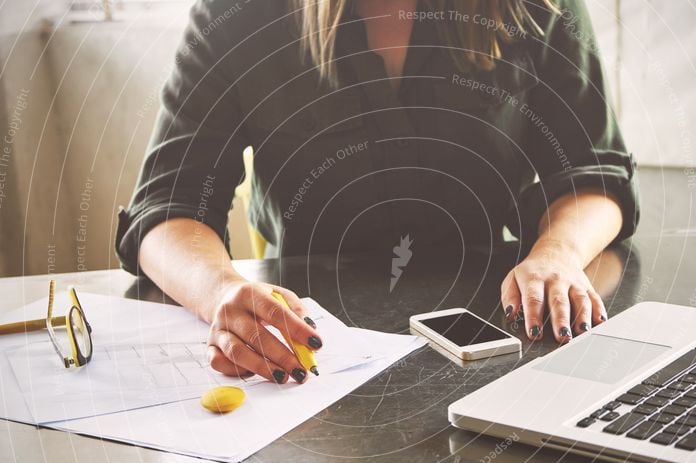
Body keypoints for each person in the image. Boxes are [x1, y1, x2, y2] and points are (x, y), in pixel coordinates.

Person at [116, 0, 640, 383]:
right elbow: (165, 209)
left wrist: (559, 254)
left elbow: (593, 172)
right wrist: (219, 293)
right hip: (309, 350)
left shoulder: (535, 7)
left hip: (498, 339)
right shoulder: (239, 15)